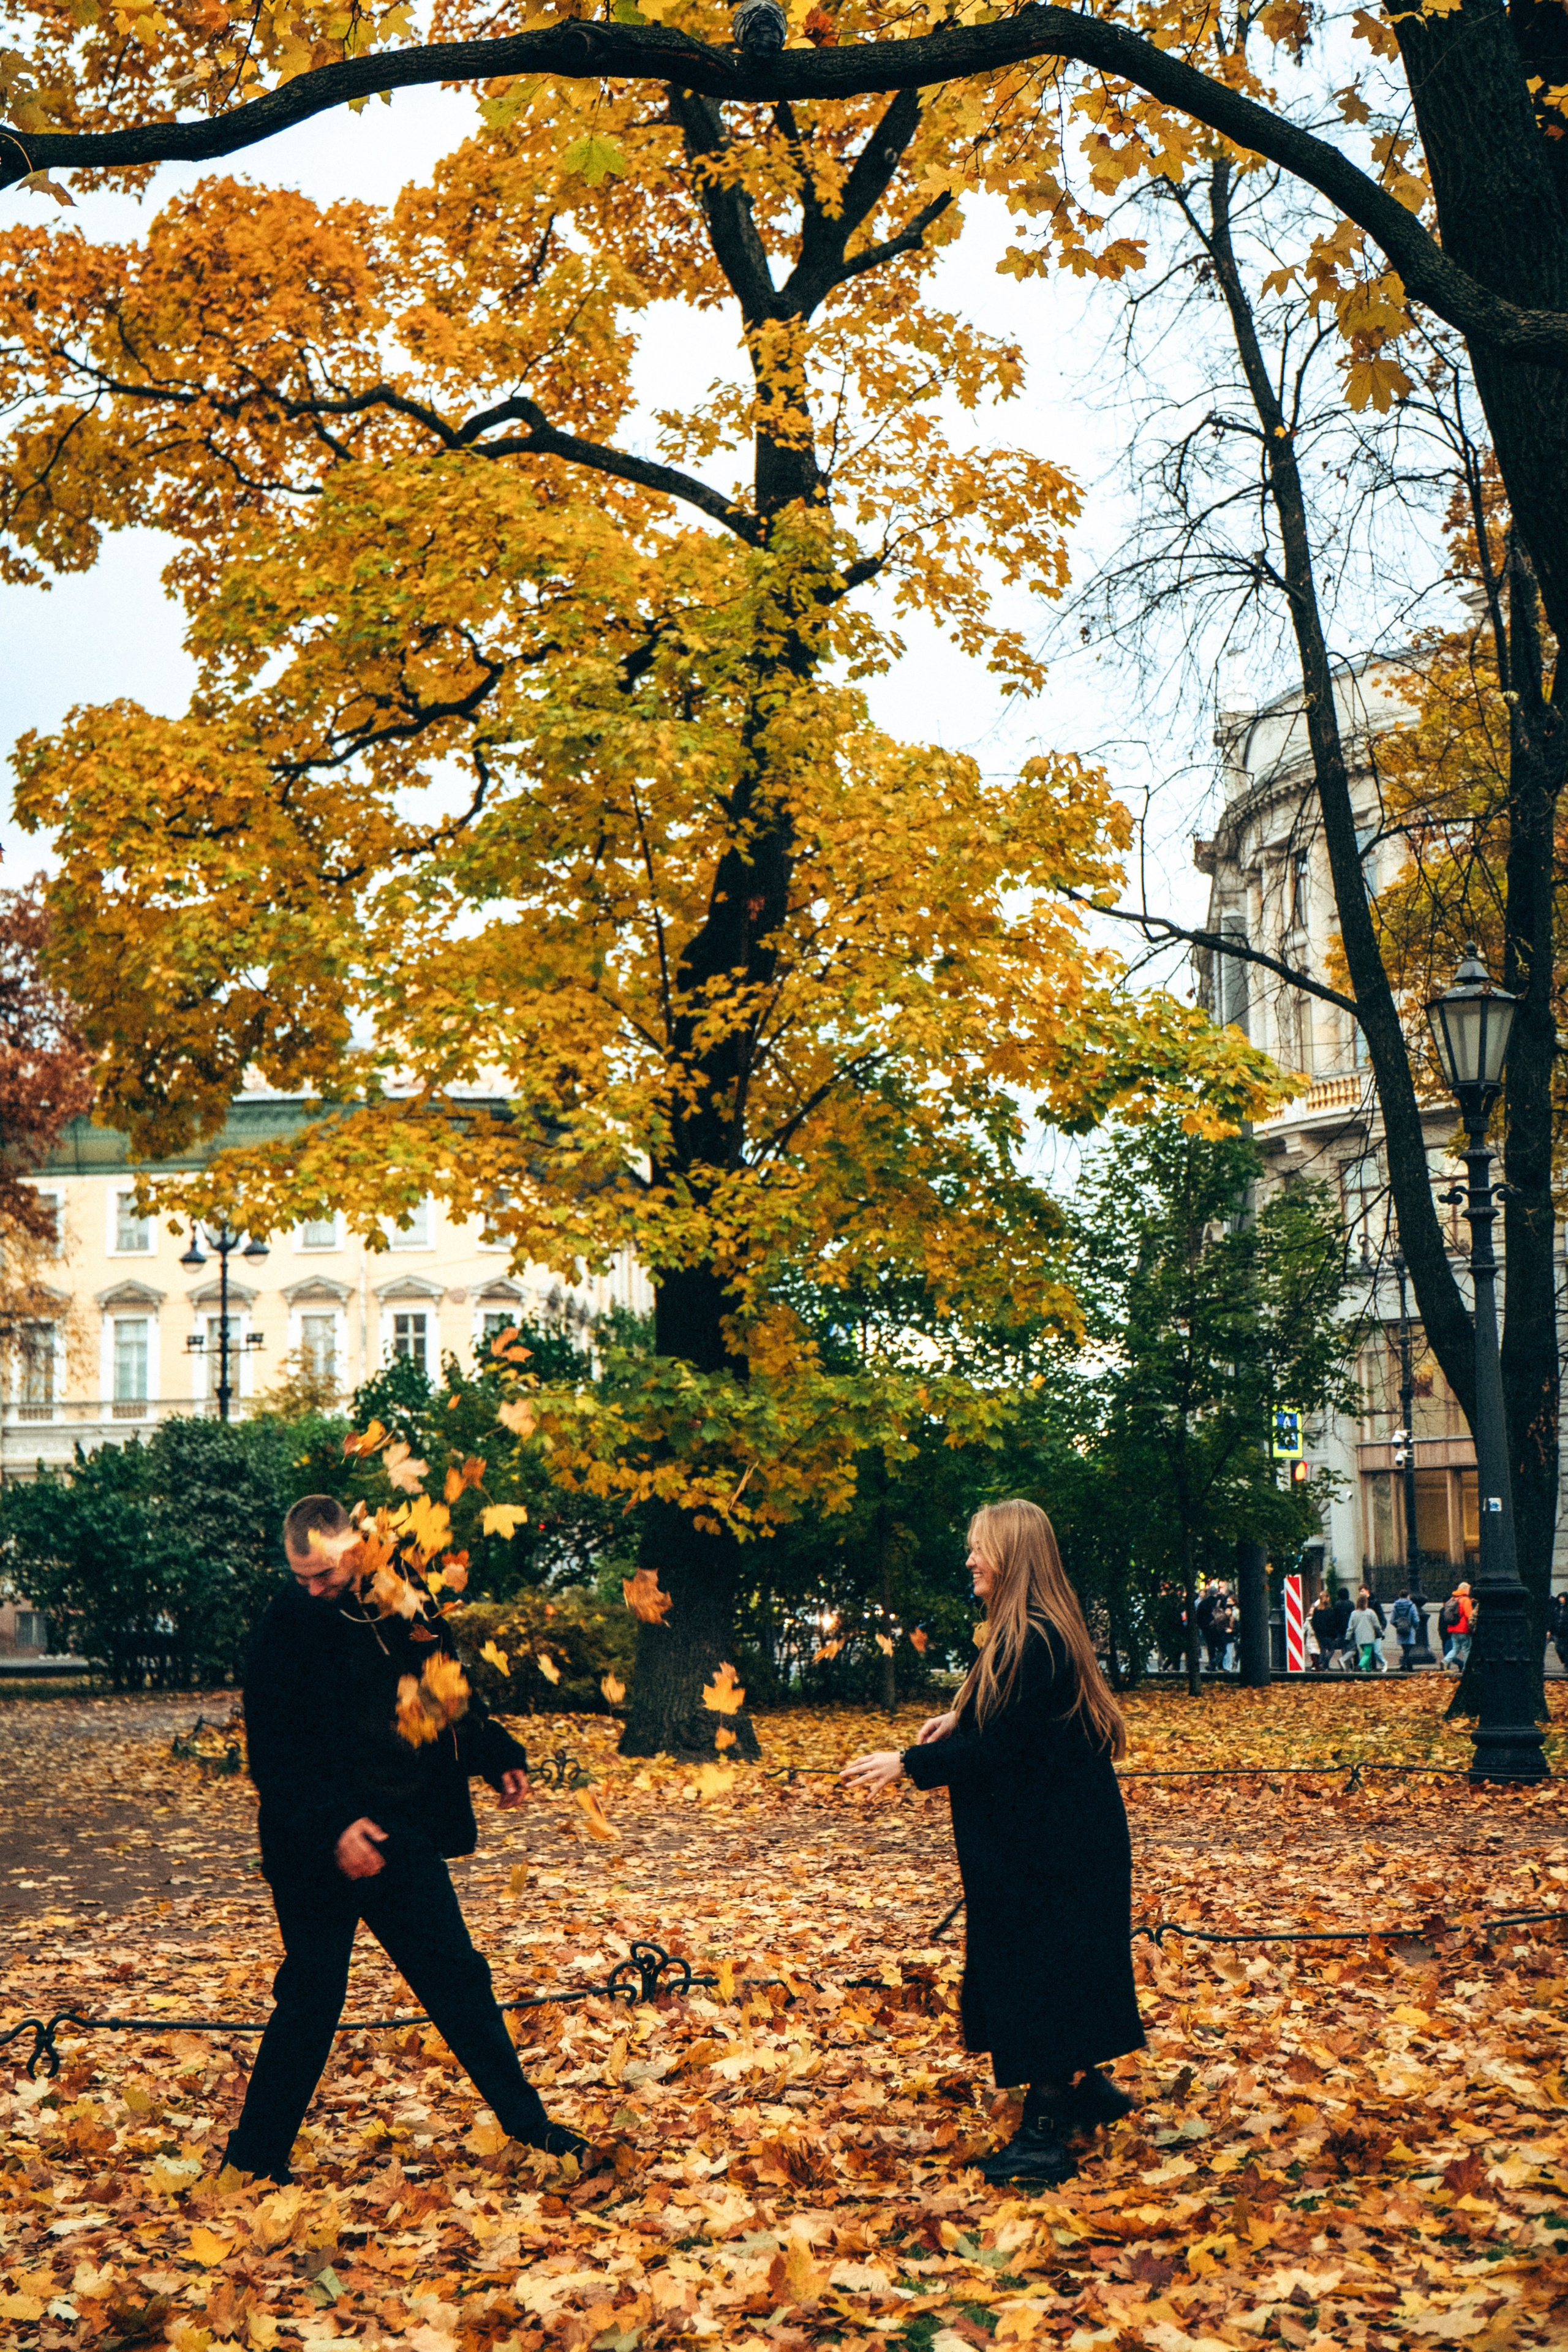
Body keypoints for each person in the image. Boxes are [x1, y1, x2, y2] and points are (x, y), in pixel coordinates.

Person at [223, 1494, 592, 2185]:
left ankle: (529, 2127)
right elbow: (275, 1753)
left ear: (356, 1548)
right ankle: (252, 2160)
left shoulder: (403, 1600)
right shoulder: (286, 1625)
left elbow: (444, 1693)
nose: (311, 1588)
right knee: (311, 1995)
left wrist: (496, 1753)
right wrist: (334, 1826)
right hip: (314, 1844)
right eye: (299, 1575)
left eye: (323, 1575)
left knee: (457, 1980)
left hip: (399, 1831)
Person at [842, 1500, 1145, 2189]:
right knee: (1058, 1963)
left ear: (1012, 1557)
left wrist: (907, 1766)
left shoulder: (1031, 1640)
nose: (971, 1560)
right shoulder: (1029, 1636)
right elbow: (1019, 1723)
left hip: (1052, 1849)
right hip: (1058, 1841)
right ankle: (1086, 2087)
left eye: (981, 1549)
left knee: (1036, 1972)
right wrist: (964, 1713)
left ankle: (1044, 2132)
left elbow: (1010, 1748)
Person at [1347, 1588, 1386, 1675]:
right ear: (1366, 1603)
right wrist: (1381, 1633)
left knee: (1365, 1653)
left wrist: (1348, 1637)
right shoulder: (1370, 1612)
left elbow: (1350, 1627)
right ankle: (1359, 1666)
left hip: (1359, 1638)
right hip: (1369, 1637)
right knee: (1367, 1655)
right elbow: (1377, 1625)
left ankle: (1368, 1669)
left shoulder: (1354, 1613)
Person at [1391, 1589, 1424, 1671]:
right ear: (1408, 1596)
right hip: (1410, 1629)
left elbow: (1392, 1620)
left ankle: (1409, 1667)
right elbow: (1416, 1619)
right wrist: (1415, 1627)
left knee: (1405, 1649)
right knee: (1408, 1649)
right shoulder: (1411, 1606)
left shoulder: (1395, 1606)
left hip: (1400, 1631)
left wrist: (1398, 1625)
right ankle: (1405, 1666)